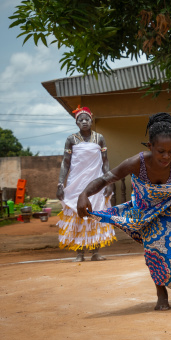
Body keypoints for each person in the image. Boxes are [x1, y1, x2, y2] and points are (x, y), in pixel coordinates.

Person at [76, 112, 171, 311]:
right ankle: (161, 297)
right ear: (150, 147)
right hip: (148, 211)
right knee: (156, 249)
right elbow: (106, 178)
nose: (167, 156)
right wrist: (84, 194)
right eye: (161, 151)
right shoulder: (137, 162)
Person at [56, 105, 115, 262]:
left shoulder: (100, 138)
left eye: (86, 119)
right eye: (80, 119)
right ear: (76, 122)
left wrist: (108, 182)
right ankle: (79, 254)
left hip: (96, 182)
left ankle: (95, 252)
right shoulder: (71, 139)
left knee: (95, 214)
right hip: (76, 183)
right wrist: (60, 184)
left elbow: (105, 162)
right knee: (78, 216)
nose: (84, 121)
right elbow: (65, 162)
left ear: (91, 120)